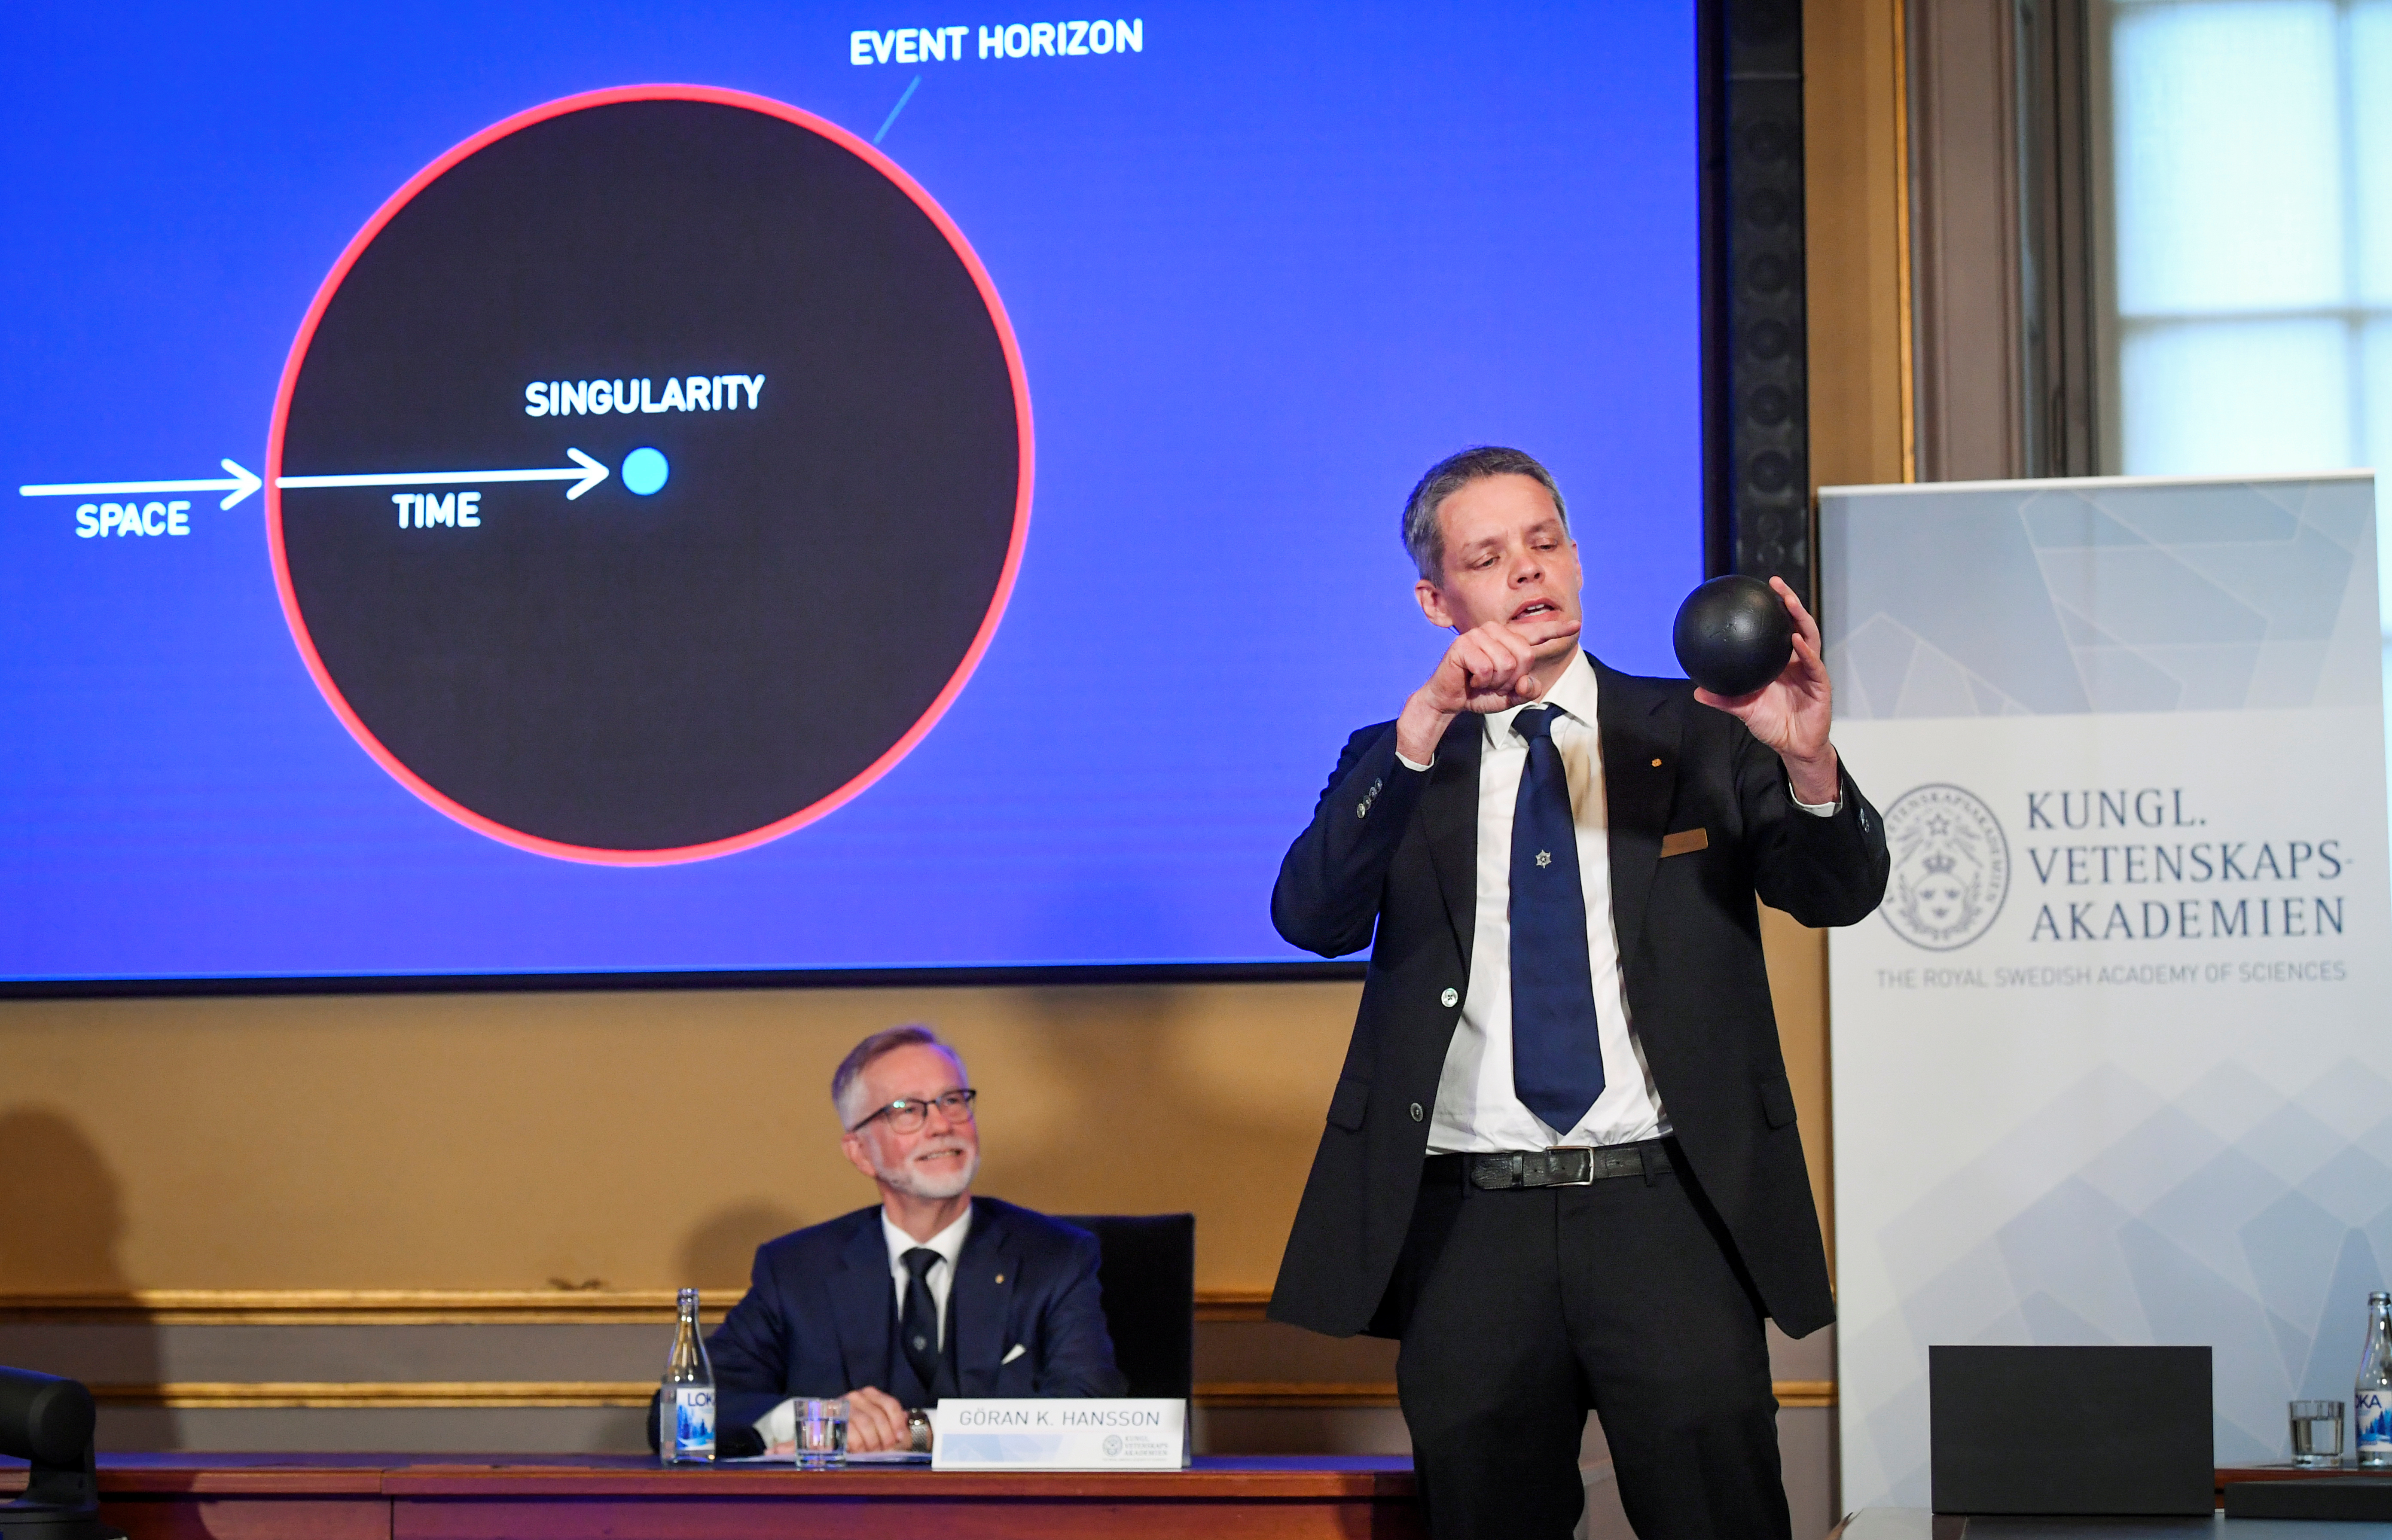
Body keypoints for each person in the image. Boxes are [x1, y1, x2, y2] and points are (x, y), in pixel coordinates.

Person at [1267, 447, 1889, 1539]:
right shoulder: (1396, 758)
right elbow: (1309, 918)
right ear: (1436, 599)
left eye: (1543, 541)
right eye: (1488, 556)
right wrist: (1422, 729)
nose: (1526, 571)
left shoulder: (1700, 731)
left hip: (1668, 1214)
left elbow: (1833, 891)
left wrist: (1806, 767)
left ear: (1579, 559)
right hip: (1469, 1223)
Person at [705, 1024, 1126, 1454]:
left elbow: (1094, 1412)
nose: (942, 1125)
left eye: (953, 1101)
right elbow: (687, 1411)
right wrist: (811, 1420)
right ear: (861, 1152)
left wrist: (920, 1430)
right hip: (842, 1519)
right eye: (908, 1110)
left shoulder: (1056, 1258)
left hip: (1007, 1517)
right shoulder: (796, 1270)